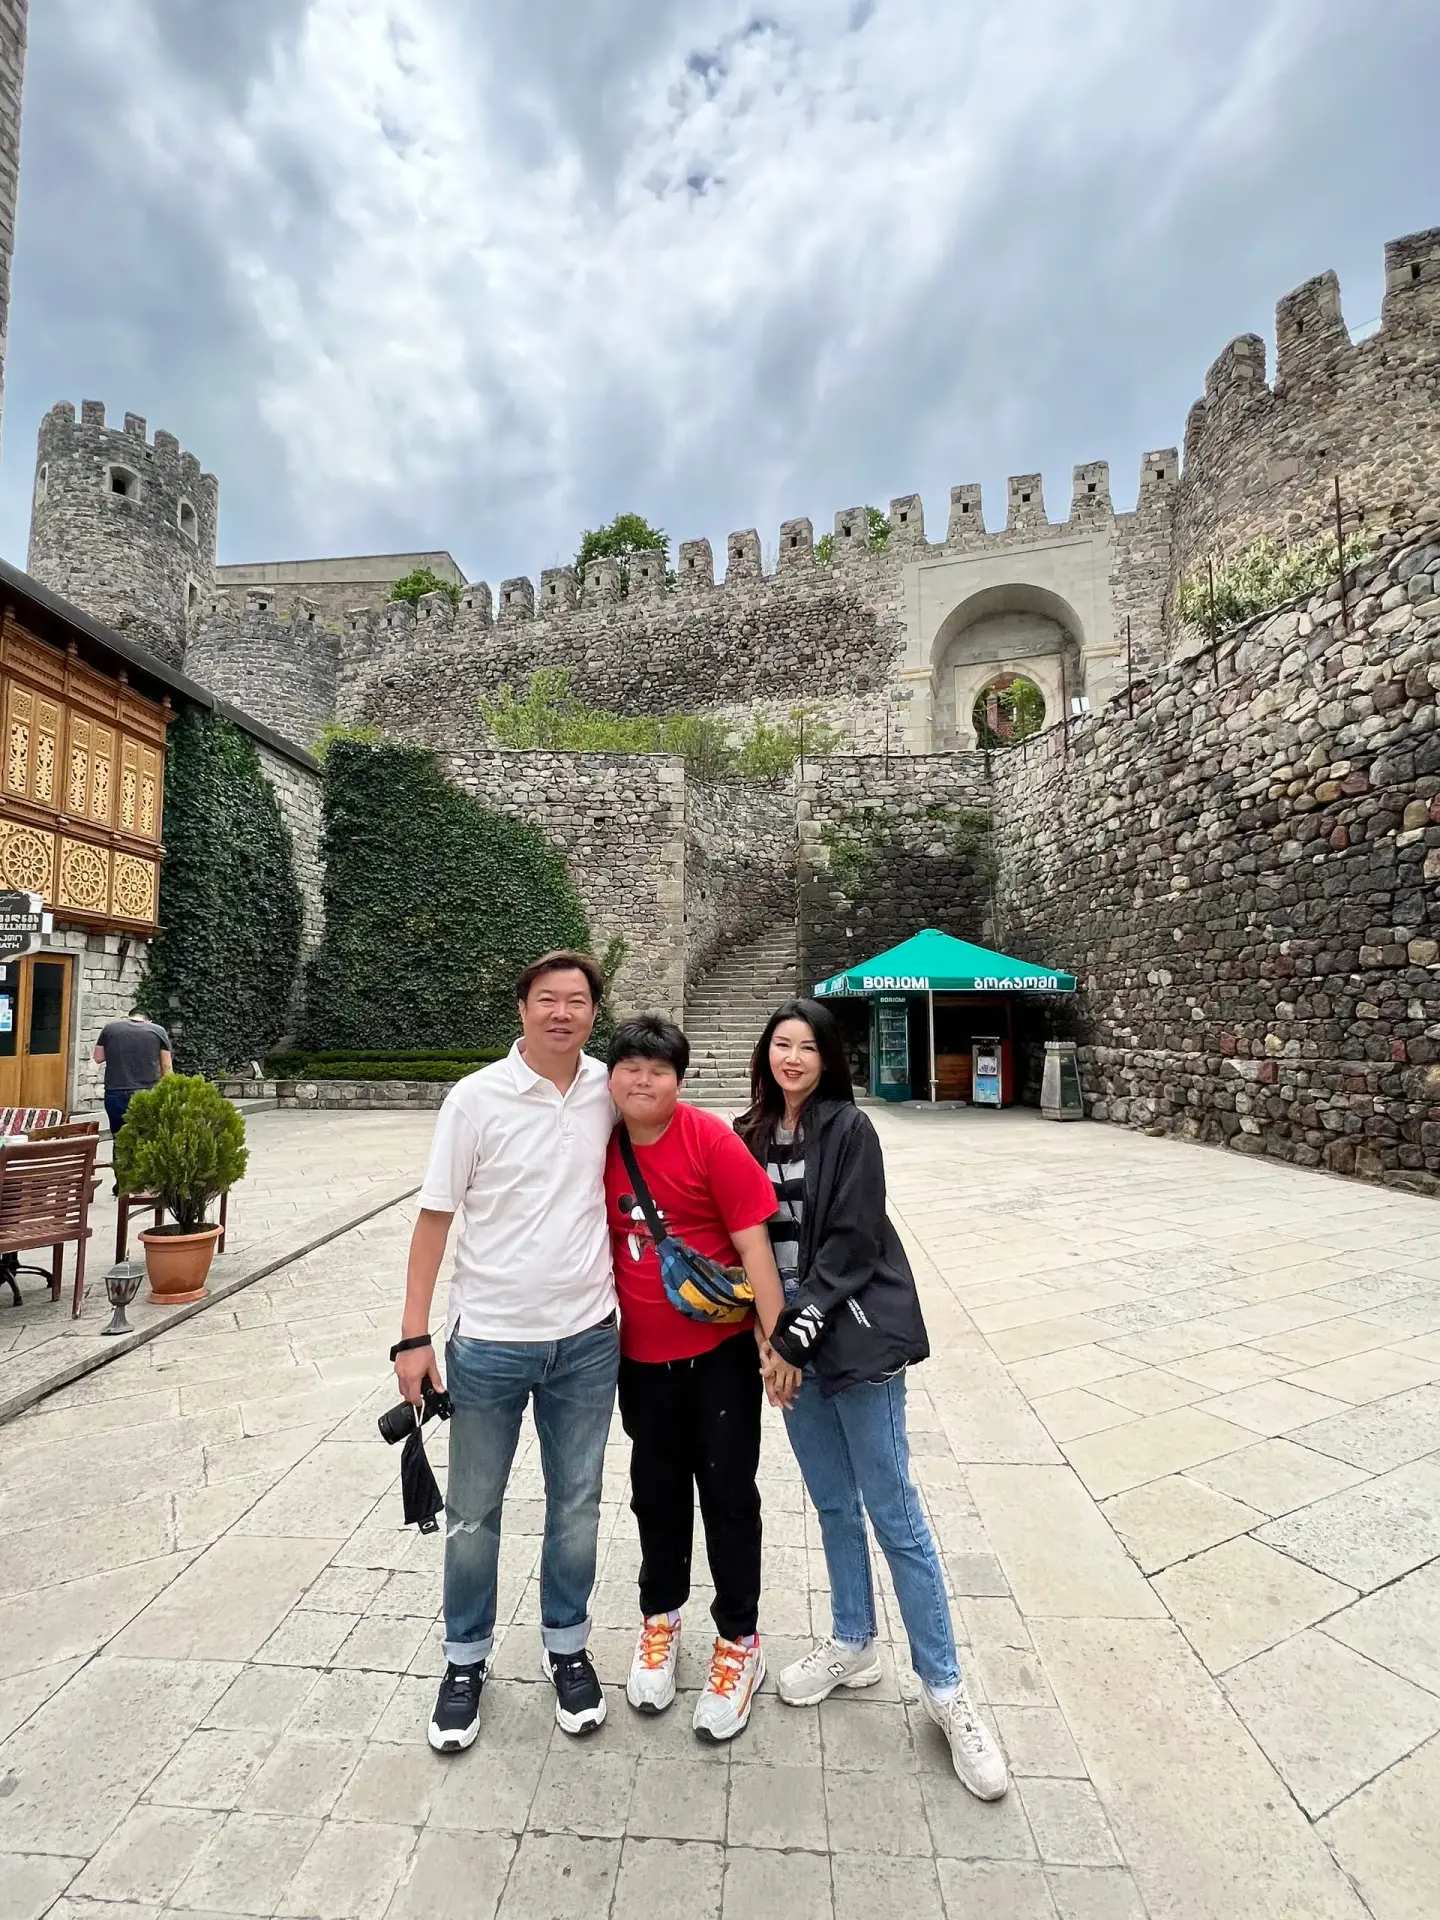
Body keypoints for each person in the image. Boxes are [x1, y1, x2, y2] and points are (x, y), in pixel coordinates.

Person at [736, 998, 1010, 1802]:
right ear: (766, 1054)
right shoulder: (747, 1134)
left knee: (896, 1514)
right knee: (829, 1505)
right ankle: (853, 1641)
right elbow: (736, 1241)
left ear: (828, 1058)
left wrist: (789, 1338)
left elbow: (853, 1244)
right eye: (780, 1045)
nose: (792, 1058)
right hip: (786, 1355)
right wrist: (763, 1336)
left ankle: (947, 1688)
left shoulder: (849, 1130)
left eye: (806, 1048)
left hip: (846, 1345)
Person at [394, 951, 619, 1755]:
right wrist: (414, 1334)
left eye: (578, 1001)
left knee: (578, 1506)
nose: (563, 1013)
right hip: (487, 1342)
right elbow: (434, 1217)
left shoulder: (608, 1092)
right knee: (473, 1514)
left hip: (589, 1341)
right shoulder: (475, 1099)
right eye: (547, 1000)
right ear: (522, 1008)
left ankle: (568, 1645)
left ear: (595, 1013)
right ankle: (464, 1661)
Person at [604, 1015, 801, 1742]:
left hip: (717, 1359)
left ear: (678, 1080)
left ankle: (738, 1643)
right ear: (612, 1076)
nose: (643, 1081)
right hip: (641, 1362)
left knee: (726, 1494)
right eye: (630, 1067)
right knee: (654, 1496)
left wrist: (776, 1343)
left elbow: (755, 1244)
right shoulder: (603, 1144)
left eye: (658, 1070)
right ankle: (659, 1621)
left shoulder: (708, 1139)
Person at [92, 1006, 172, 1133]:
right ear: (148, 1021)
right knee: (144, 1136)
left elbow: (98, 1057)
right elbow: (167, 1068)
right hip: (146, 1091)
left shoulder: (110, 1029)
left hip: (115, 1090)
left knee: (119, 1136)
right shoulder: (158, 1031)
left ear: (129, 1016)